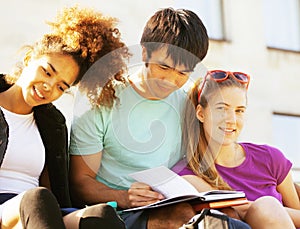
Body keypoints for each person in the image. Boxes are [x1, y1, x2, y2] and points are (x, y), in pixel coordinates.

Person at [69, 7, 210, 229]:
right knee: (180, 216)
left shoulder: (188, 104)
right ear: (144, 53)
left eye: (183, 73)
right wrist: (125, 196)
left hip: (169, 203)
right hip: (115, 212)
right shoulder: (101, 97)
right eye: (164, 67)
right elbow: (80, 182)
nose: (171, 80)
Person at [0, 5, 130, 229]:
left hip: (39, 214)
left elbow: (53, 192)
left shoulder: (53, 124)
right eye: (47, 71)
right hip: (12, 211)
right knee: (36, 199)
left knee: (101, 216)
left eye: (61, 86)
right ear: (30, 58)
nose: (48, 87)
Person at [174, 70, 300, 228]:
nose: (231, 120)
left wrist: (270, 209)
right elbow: (237, 208)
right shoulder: (187, 175)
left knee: (267, 206)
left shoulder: (271, 158)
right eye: (221, 108)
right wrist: (265, 208)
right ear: (200, 113)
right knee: (266, 206)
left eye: (239, 110)